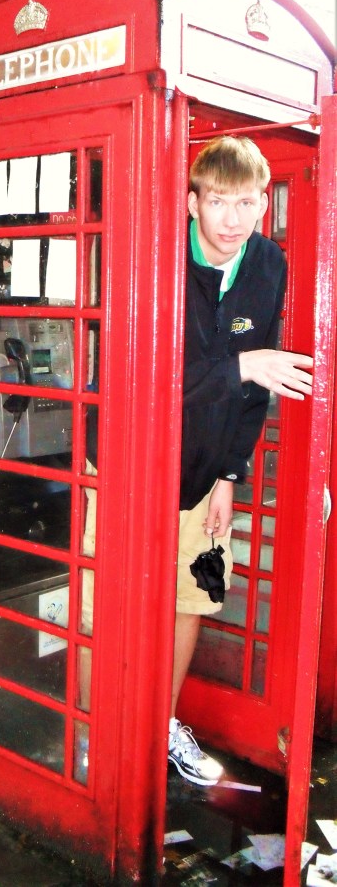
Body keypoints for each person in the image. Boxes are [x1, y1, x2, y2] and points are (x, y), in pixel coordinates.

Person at [169, 135, 313, 785]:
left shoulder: (268, 265)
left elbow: (256, 390)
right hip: (130, 463)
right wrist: (243, 364)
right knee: (107, 609)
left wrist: (231, 474)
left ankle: (161, 725)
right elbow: (154, 377)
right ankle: (99, 734)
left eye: (247, 202)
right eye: (218, 200)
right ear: (192, 200)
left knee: (191, 599)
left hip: (204, 472)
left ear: (264, 204)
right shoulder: (161, 258)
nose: (232, 218)